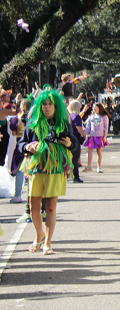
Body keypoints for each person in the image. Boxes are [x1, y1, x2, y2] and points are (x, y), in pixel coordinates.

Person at [17, 87, 74, 255]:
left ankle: (48, 242)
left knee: (50, 207)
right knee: (33, 206)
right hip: (36, 168)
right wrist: (27, 146)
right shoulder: (32, 123)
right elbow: (21, 144)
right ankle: (39, 235)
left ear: (56, 107)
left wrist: (70, 144)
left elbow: (76, 143)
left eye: (50, 104)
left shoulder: (62, 124)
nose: (47, 107)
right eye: (44, 104)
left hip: (55, 168)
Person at [5, 98, 31, 204]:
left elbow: (13, 132)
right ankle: (32, 194)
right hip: (32, 145)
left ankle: (18, 194)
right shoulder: (34, 117)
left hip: (20, 145)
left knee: (20, 170)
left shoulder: (17, 118)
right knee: (31, 170)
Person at [83, 102, 110, 173]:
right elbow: (88, 127)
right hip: (92, 136)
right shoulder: (91, 117)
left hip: (99, 137)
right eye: (93, 107)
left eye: (96, 107)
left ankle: (99, 167)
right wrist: (84, 135)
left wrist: (105, 137)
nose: (94, 109)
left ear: (99, 108)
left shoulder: (104, 117)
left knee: (99, 152)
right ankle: (89, 166)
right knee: (90, 151)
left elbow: (106, 127)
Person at [66, 100, 85, 183]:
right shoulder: (76, 116)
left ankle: (67, 175)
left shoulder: (68, 115)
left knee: (67, 158)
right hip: (75, 139)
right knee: (75, 159)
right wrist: (84, 135)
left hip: (68, 138)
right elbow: (79, 128)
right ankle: (76, 177)